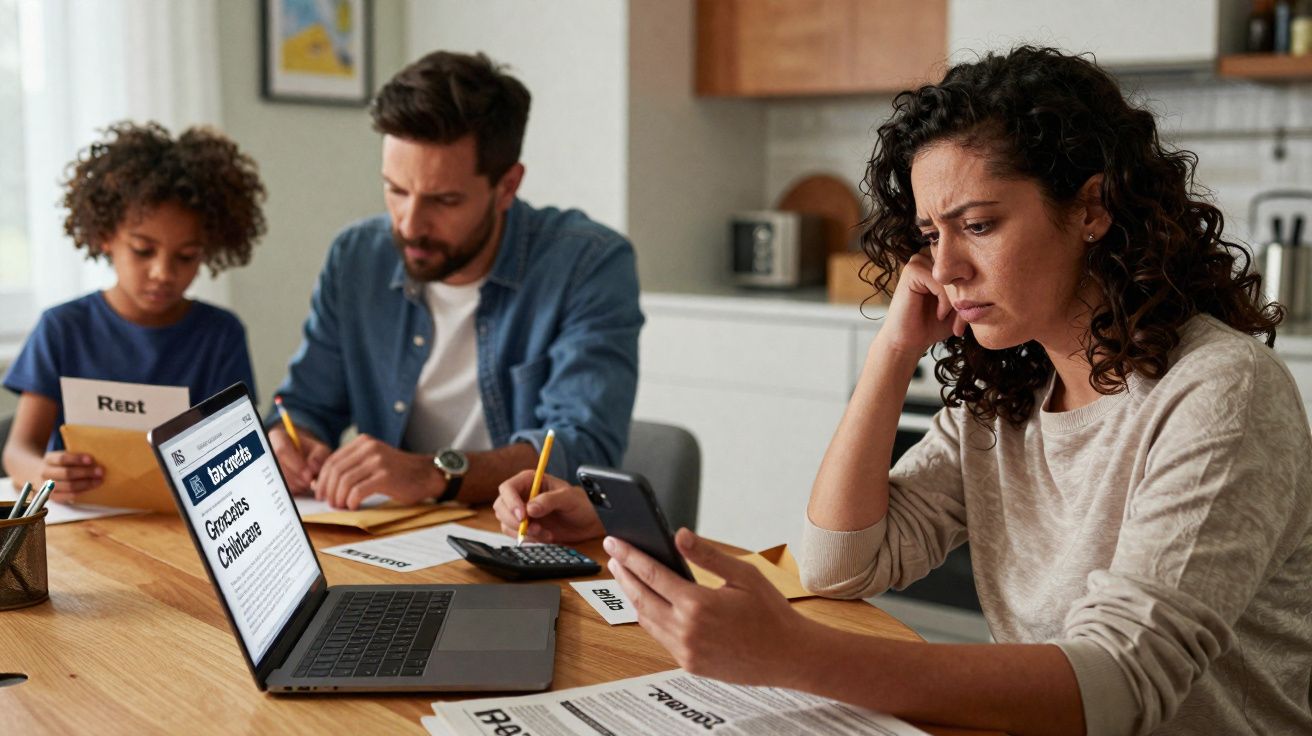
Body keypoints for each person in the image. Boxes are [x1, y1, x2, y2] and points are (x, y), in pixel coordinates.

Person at [494, 47, 1312, 735]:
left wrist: (794, 655)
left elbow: (1120, 684)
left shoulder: (1221, 393)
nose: (947, 269)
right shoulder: (1011, 392)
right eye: (931, 234)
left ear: (1092, 208)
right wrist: (892, 350)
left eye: (980, 225)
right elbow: (839, 565)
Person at [268, 50, 642, 511]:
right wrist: (293, 441)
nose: (409, 224)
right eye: (396, 189)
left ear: (507, 187)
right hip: (389, 538)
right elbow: (304, 404)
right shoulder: (356, 257)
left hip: (521, 541)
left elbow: (583, 448)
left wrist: (434, 473)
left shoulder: (589, 265)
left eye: (443, 200)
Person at [3, 122, 266, 502]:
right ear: (105, 236)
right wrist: (43, 473)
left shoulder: (220, 334)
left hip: (181, 526)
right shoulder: (62, 328)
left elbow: (235, 455)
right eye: (143, 250)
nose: (163, 273)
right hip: (80, 523)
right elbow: (17, 452)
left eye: (186, 256)